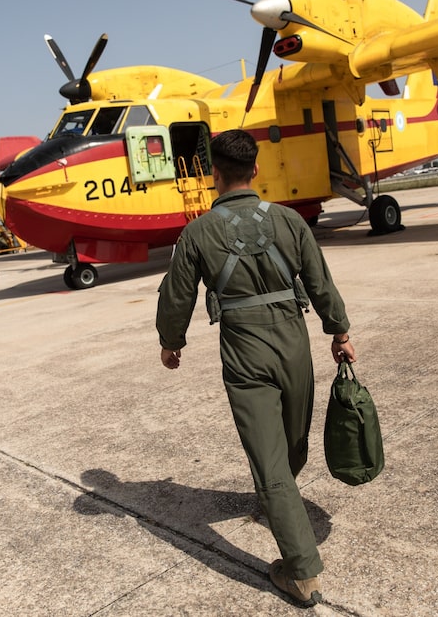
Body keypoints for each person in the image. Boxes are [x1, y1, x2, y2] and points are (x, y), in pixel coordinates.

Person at [156, 129, 355, 607]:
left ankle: (301, 571)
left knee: (273, 460)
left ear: (213, 174)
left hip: (245, 350)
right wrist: (340, 332)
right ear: (257, 171)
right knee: (288, 445)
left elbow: (176, 295)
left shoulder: (197, 233)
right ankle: (290, 533)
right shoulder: (290, 221)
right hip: (294, 342)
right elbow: (320, 280)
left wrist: (171, 342)